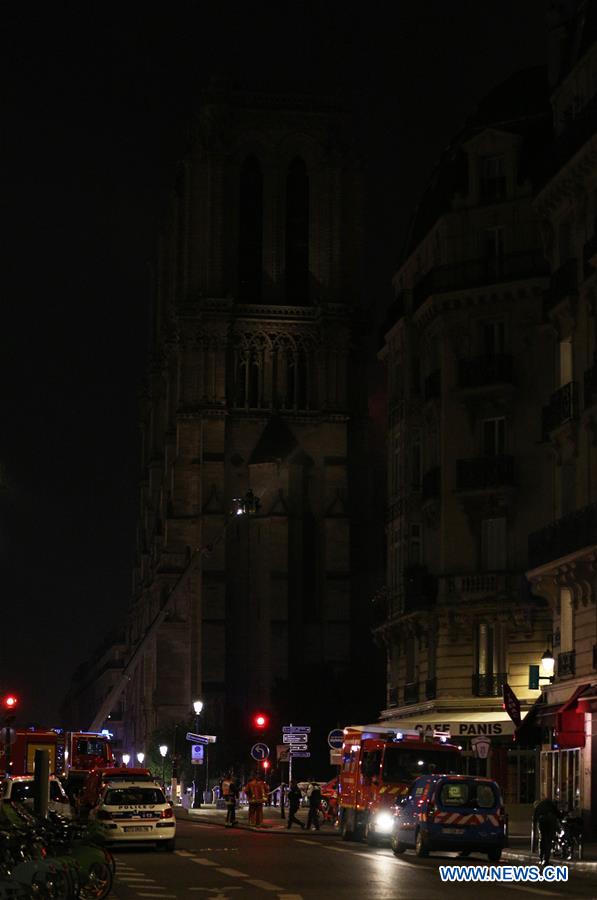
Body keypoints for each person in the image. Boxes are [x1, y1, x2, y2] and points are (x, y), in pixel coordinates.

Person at [533, 798, 561, 865]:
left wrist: (535, 825)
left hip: (542, 823)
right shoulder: (551, 805)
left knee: (542, 840)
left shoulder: (539, 806)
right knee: (548, 841)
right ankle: (546, 859)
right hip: (550, 823)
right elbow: (558, 814)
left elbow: (535, 817)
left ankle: (541, 858)